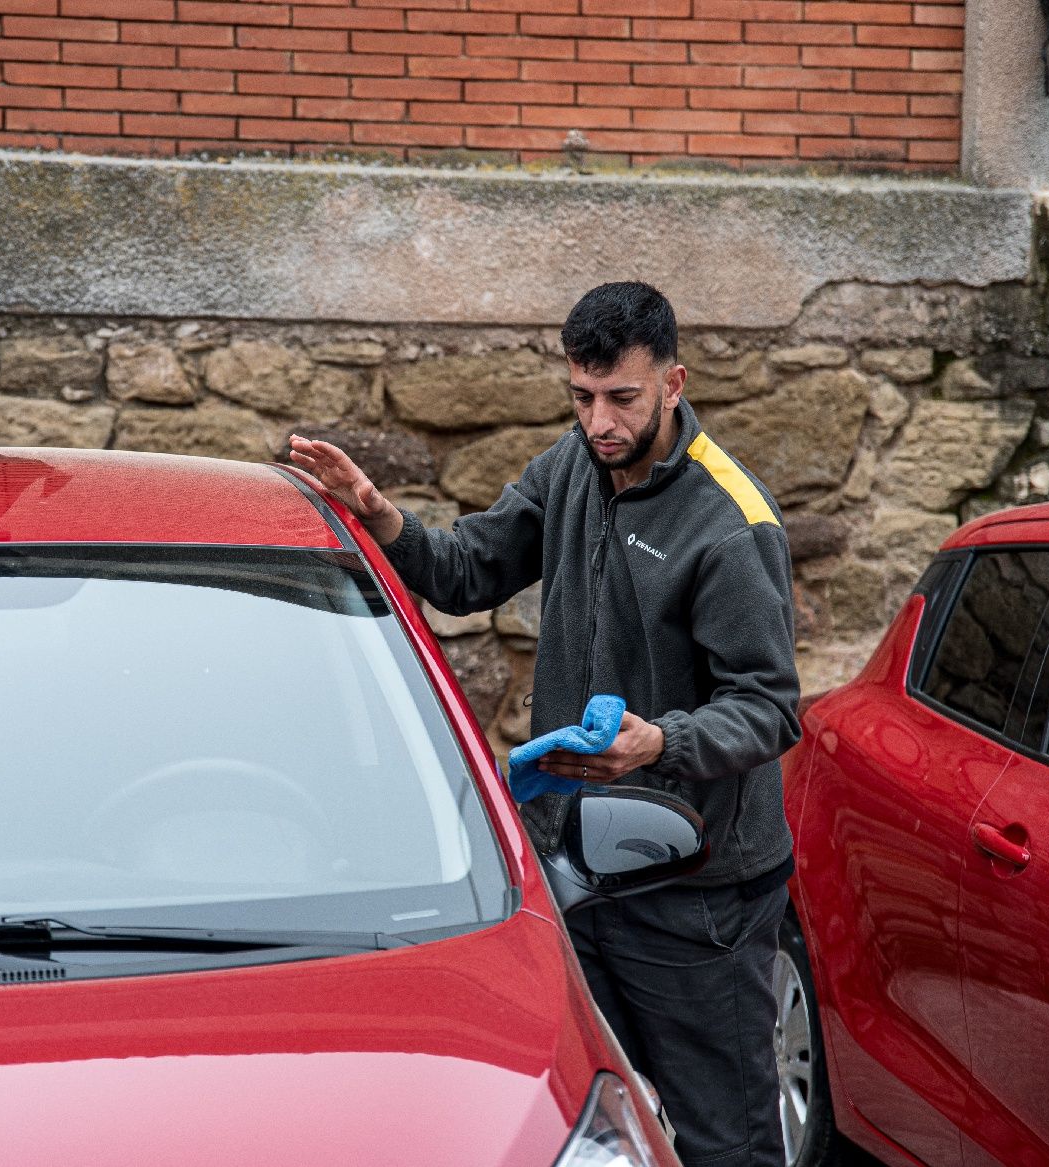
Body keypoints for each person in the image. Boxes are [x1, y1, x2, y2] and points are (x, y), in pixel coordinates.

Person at [289, 280, 800, 1167]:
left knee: (730, 1144)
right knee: (597, 1128)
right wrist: (380, 516)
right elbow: (465, 569)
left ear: (673, 383)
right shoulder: (572, 465)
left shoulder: (730, 524)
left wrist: (662, 743)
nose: (599, 421)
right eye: (581, 396)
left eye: (622, 399)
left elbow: (769, 706)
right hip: (575, 872)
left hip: (698, 897)